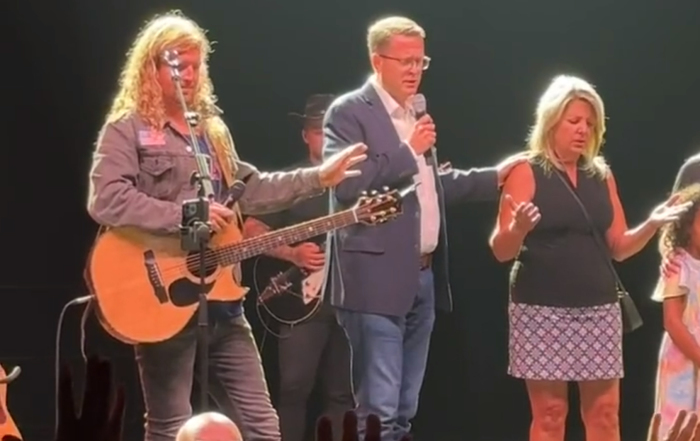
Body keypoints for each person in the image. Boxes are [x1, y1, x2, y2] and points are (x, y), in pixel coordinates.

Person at [86, 11, 367, 441]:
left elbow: (251, 188)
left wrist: (319, 176)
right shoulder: (126, 129)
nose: (190, 75)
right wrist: (185, 214)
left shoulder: (211, 132)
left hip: (223, 301)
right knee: (169, 427)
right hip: (162, 298)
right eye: (178, 65)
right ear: (151, 67)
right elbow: (106, 199)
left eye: (197, 65)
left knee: (263, 428)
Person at [322, 15, 525, 440]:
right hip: (373, 279)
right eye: (405, 61)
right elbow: (347, 187)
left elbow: (432, 187)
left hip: (422, 277)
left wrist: (493, 178)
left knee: (404, 408)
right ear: (377, 60)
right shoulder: (349, 113)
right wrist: (406, 149)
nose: (415, 70)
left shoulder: (416, 114)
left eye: (421, 61)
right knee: (377, 408)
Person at [489, 74, 688, 441]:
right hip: (540, 310)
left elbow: (619, 246)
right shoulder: (525, 171)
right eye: (574, 121)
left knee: (605, 413)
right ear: (551, 120)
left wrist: (652, 224)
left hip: (598, 308)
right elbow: (501, 251)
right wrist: (517, 228)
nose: (583, 130)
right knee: (550, 414)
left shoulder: (600, 174)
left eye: (590, 123)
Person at [242, 94, 353, 441]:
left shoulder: (363, 183)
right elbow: (250, 229)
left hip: (352, 299)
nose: (327, 138)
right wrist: (292, 254)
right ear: (306, 135)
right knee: (293, 389)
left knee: (343, 395)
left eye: (333, 131)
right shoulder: (290, 182)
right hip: (300, 305)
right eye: (319, 131)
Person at [653, 184, 700, 438]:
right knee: (679, 423)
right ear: (686, 226)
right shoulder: (679, 265)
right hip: (684, 358)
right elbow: (672, 321)